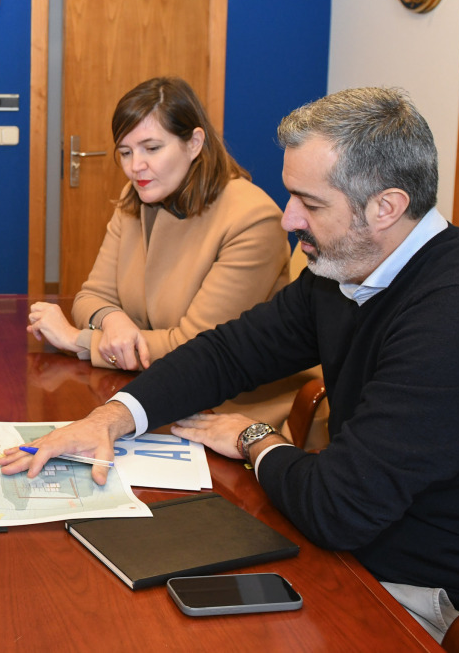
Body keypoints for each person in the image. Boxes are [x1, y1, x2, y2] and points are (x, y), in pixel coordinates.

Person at [3, 87, 459, 648]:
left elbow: (339, 506)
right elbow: (229, 352)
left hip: (440, 596)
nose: (289, 218)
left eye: (310, 202)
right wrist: (110, 418)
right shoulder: (347, 266)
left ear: (386, 207)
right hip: (361, 549)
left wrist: (255, 438)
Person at [27, 76, 303, 426]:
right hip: (146, 386)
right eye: (125, 152)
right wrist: (113, 320)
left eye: (151, 148)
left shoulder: (252, 219)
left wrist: (76, 339)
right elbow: (91, 297)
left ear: (194, 143)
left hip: (228, 412)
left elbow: (198, 351)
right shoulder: (137, 195)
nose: (135, 166)